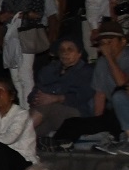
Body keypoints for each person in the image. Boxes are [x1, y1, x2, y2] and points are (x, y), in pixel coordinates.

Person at [52, 19, 129, 150]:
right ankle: (55, 145)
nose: (106, 46)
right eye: (103, 43)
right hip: (113, 114)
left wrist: (109, 58)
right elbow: (99, 95)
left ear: (123, 41)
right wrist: (97, 125)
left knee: (118, 96)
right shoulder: (102, 62)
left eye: (110, 42)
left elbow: (122, 83)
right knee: (73, 123)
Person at [0, 0, 55, 107]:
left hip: (27, 32)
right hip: (11, 31)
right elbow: (2, 11)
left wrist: (21, 14)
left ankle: (30, 110)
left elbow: (39, 13)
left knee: (25, 74)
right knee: (14, 75)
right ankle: (24, 109)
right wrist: (4, 17)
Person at [29, 37, 95, 138]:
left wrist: (56, 98)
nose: (65, 53)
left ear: (79, 53)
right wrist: (38, 98)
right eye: (62, 50)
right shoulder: (49, 69)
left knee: (47, 105)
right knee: (35, 130)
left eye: (70, 49)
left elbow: (81, 96)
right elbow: (33, 94)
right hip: (48, 115)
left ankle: (16, 134)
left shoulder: (86, 72)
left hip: (74, 114)